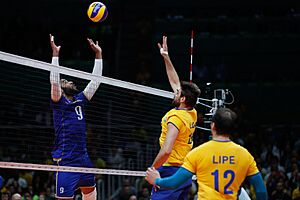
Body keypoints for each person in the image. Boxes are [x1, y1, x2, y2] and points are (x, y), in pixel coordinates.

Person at [146, 107, 268, 200]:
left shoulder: (198, 153)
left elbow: (174, 183)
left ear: (213, 126)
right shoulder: (245, 155)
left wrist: (157, 180)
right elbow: (261, 191)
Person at [49, 34, 103, 200]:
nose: (70, 82)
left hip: (83, 158)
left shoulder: (80, 98)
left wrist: (98, 55)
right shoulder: (59, 102)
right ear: (63, 89)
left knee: (91, 194)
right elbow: (54, 81)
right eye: (66, 81)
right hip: (67, 161)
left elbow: (96, 81)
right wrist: (55, 55)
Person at [149, 35, 201, 199]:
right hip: (184, 172)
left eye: (178, 93)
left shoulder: (176, 118)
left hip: (170, 170)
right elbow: (175, 81)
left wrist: (153, 169)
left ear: (183, 99)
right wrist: (166, 57)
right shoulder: (192, 112)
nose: (175, 92)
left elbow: (166, 150)